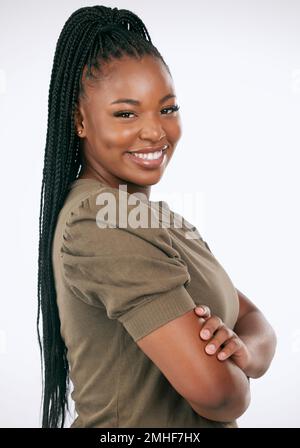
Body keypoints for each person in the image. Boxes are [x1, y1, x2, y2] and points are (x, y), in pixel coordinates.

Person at [37, 5, 277, 428]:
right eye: (126, 113)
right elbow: (220, 396)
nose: (155, 132)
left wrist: (247, 353)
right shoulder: (100, 220)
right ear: (80, 121)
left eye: (167, 108)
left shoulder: (156, 219)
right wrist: (242, 376)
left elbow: (253, 318)